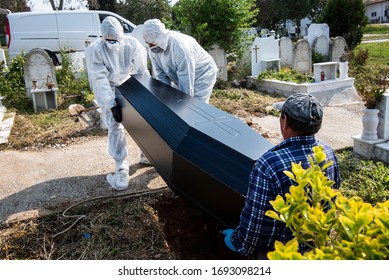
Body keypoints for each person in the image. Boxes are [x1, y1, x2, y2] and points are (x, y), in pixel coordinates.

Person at [222, 93, 341, 259]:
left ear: (285, 121)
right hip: (317, 249)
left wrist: (237, 242)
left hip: (283, 255)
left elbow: (257, 231)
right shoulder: (328, 153)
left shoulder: (269, 164)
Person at [85, 16, 150, 191]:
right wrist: (112, 104)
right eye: (109, 40)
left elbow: (142, 71)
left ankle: (147, 153)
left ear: (122, 35)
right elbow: (100, 79)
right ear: (103, 37)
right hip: (109, 88)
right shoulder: (95, 50)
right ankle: (121, 164)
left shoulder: (132, 44)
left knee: (140, 120)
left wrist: (144, 95)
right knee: (115, 125)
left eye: (116, 39)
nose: (113, 43)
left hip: (129, 84)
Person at [142, 19, 218, 103]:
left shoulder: (181, 47)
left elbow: (186, 81)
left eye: (152, 44)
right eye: (148, 43)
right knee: (175, 99)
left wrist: (184, 104)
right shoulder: (153, 50)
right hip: (180, 76)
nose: (150, 47)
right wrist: (164, 98)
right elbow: (161, 76)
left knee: (197, 105)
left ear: (159, 39)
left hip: (202, 74)